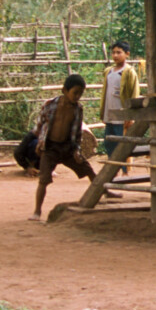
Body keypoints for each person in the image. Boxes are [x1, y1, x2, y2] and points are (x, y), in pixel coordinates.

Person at [30, 75, 104, 221]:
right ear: (64, 90)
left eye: (80, 93)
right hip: (50, 147)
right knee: (44, 180)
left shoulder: (78, 109)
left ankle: (105, 191)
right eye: (75, 92)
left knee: (88, 169)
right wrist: (39, 143)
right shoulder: (50, 105)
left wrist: (76, 150)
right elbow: (39, 126)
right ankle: (37, 211)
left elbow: (77, 133)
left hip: (67, 147)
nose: (77, 96)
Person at [101, 41, 139, 172]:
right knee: (108, 142)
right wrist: (103, 114)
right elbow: (105, 94)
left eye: (119, 52)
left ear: (127, 54)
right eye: (113, 52)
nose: (115, 55)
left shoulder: (129, 72)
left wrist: (131, 115)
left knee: (121, 143)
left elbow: (134, 93)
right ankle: (113, 168)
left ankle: (124, 170)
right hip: (110, 114)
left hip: (121, 115)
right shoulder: (108, 72)